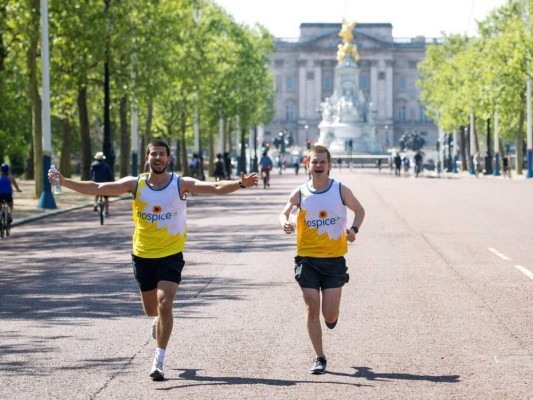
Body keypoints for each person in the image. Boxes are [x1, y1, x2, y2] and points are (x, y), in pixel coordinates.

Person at [48, 139, 258, 381]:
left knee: (165, 303)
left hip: (171, 254)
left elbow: (214, 187)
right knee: (152, 310)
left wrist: (239, 184)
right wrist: (64, 182)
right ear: (146, 158)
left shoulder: (180, 184)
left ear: (168, 159)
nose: (157, 158)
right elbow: (97, 187)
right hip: (143, 255)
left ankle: (158, 360)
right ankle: (158, 324)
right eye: (153, 154)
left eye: (162, 154)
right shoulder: (135, 184)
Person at [279, 145, 365, 375]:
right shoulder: (300, 192)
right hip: (307, 259)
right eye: (314, 162)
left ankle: (331, 318)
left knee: (329, 314)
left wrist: (354, 229)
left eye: (322, 162)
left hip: (334, 260)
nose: (318, 166)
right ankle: (319, 357)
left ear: (329, 165)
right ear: (307, 164)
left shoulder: (340, 190)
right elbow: (284, 212)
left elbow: (360, 210)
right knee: (311, 307)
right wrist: (284, 221)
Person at [90, 152, 114, 216]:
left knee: (96, 194)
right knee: (106, 198)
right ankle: (107, 211)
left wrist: (92, 180)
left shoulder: (93, 165)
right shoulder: (106, 165)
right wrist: (110, 181)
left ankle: (95, 204)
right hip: (104, 183)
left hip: (96, 182)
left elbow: (91, 174)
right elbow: (110, 175)